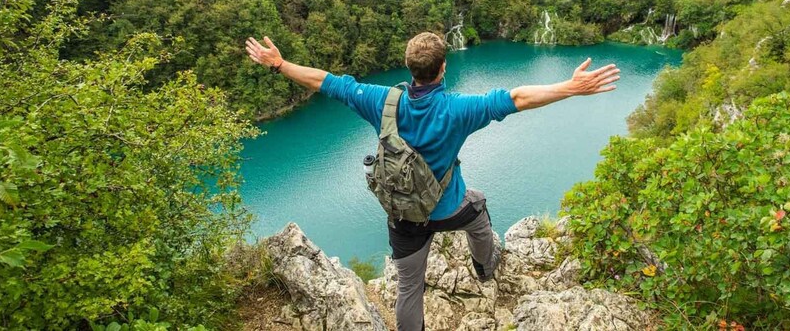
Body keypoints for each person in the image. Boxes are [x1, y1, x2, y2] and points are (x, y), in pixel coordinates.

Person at [245, 32, 620, 331]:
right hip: (449, 209)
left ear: (410, 68)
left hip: (404, 218)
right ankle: (486, 266)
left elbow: (326, 82)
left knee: (409, 287)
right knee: (477, 206)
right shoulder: (458, 109)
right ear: (442, 69)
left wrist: (279, 64)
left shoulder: (380, 101)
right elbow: (518, 98)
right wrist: (571, 88)